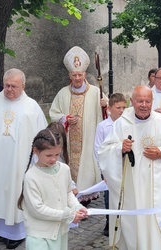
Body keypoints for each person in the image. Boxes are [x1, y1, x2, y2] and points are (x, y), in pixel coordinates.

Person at [98, 85, 161, 250]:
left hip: (158, 182)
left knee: (156, 218)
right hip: (132, 184)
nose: (144, 105)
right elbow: (104, 150)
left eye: (147, 101)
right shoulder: (122, 123)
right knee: (135, 220)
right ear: (132, 101)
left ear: (152, 102)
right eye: (140, 101)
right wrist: (120, 148)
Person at [0, 68, 47, 249]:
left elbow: (42, 135)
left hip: (19, 164)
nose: (9, 89)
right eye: (6, 85)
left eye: (14, 86)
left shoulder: (32, 107)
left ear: (23, 86)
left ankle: (15, 233)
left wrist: (41, 159)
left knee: (16, 194)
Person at [49, 46, 107, 206]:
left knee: (87, 169)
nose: (77, 78)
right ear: (69, 75)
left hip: (88, 141)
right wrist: (65, 118)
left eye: (80, 74)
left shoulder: (96, 92)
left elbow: (107, 116)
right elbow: (53, 113)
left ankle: (84, 200)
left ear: (85, 74)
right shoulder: (62, 93)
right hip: (68, 142)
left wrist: (105, 104)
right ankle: (69, 198)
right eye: (74, 75)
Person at [17, 128, 88, 250]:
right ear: (36, 151)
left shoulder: (64, 169)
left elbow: (68, 193)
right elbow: (37, 209)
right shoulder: (31, 177)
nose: (53, 159)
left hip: (60, 232)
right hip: (39, 235)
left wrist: (77, 207)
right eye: (48, 155)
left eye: (56, 154)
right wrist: (68, 215)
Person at [94, 93, 127, 237]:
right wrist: (103, 171)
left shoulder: (127, 124)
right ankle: (109, 220)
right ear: (109, 108)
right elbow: (97, 148)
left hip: (124, 165)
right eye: (118, 107)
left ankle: (125, 219)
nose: (121, 111)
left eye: (124, 108)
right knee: (109, 196)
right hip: (109, 167)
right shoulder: (103, 126)